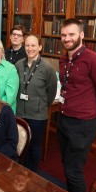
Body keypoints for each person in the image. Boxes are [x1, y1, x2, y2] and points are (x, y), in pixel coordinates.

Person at [58, 18, 96, 192]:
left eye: (71, 34)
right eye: (64, 35)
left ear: (81, 35)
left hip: (83, 123)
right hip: (64, 118)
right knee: (67, 164)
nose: (67, 38)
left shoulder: (94, 60)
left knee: (74, 171)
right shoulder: (64, 58)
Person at [15, 34, 57, 171]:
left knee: (34, 145)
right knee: (21, 143)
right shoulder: (18, 65)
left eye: (33, 45)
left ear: (40, 47)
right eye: (27, 45)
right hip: (20, 112)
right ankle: (21, 170)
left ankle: (33, 172)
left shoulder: (47, 68)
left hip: (38, 114)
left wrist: (41, 104)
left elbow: (51, 92)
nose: (30, 48)